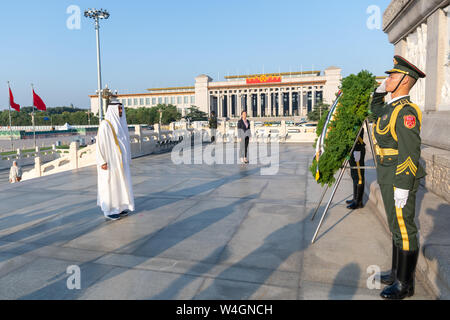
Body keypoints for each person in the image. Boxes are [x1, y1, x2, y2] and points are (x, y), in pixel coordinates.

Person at [370, 55, 426, 300]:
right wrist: (380, 91)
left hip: (398, 177)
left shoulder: (406, 113)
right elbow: (373, 112)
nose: (387, 79)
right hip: (386, 173)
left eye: (392, 76)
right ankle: (395, 272)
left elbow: (409, 153)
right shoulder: (391, 107)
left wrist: (403, 186)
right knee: (395, 226)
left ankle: (405, 284)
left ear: (405, 80)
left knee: (405, 228)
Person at [96, 99, 135, 221]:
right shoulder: (105, 125)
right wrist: (102, 161)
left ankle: (121, 207)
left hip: (121, 163)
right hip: (110, 162)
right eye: (118, 109)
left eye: (121, 109)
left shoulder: (121, 124)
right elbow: (99, 144)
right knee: (110, 185)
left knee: (122, 184)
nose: (120, 111)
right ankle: (110, 210)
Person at [346, 129, 366, 209]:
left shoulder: (357, 121)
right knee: (354, 175)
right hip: (352, 149)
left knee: (359, 176)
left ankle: (359, 201)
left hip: (357, 149)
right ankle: (355, 198)